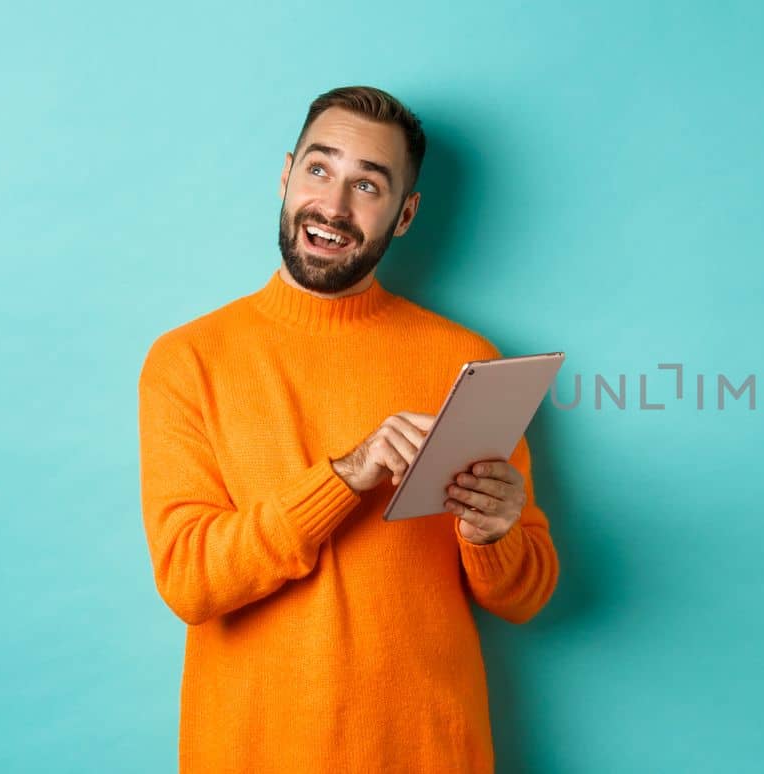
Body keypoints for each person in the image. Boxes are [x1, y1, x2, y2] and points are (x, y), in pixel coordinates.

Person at [136, 85, 559, 773]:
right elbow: (191, 581)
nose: (332, 206)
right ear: (286, 174)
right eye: (319, 168)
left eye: (368, 185)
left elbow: (528, 595)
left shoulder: (467, 361)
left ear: (405, 214)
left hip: (431, 752)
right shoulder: (188, 360)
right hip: (253, 753)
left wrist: (495, 532)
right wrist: (345, 478)